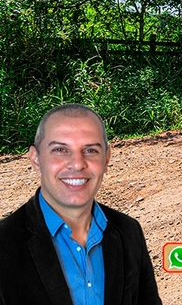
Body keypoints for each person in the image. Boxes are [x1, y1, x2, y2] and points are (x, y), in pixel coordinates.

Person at [0, 103, 162, 305]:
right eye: (60, 149)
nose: (77, 164)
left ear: (106, 158)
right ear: (36, 159)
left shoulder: (129, 231)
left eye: (91, 150)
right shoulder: (4, 243)